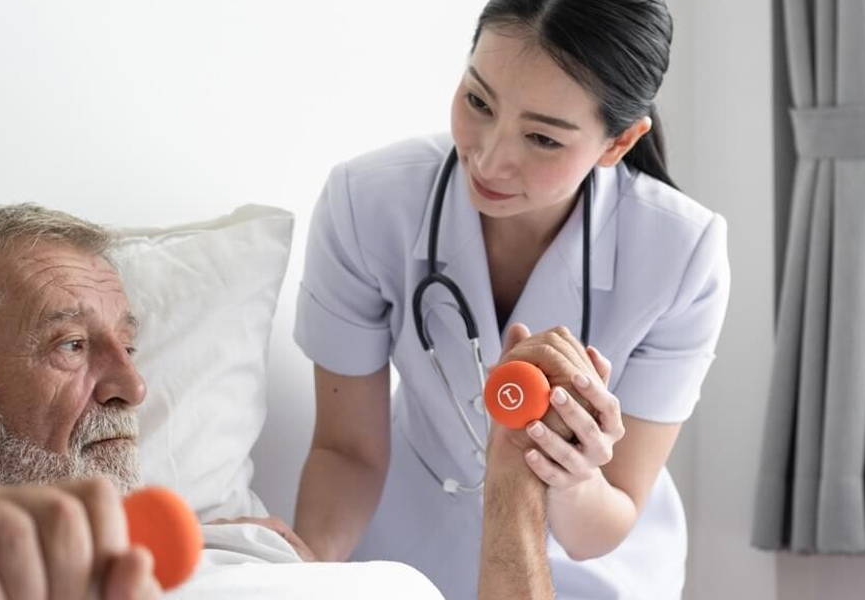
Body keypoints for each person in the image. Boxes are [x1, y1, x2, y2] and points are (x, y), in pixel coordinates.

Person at [0, 203, 552, 600]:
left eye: (129, 345)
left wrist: (515, 478)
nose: (133, 388)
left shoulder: (258, 558)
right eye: (71, 345)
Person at [291, 1, 730, 598]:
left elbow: (605, 522)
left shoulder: (682, 253)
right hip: (413, 556)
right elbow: (347, 452)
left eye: (543, 138)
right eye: (478, 102)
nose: (490, 159)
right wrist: (304, 571)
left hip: (591, 570)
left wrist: (574, 476)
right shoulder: (367, 202)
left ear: (618, 142)